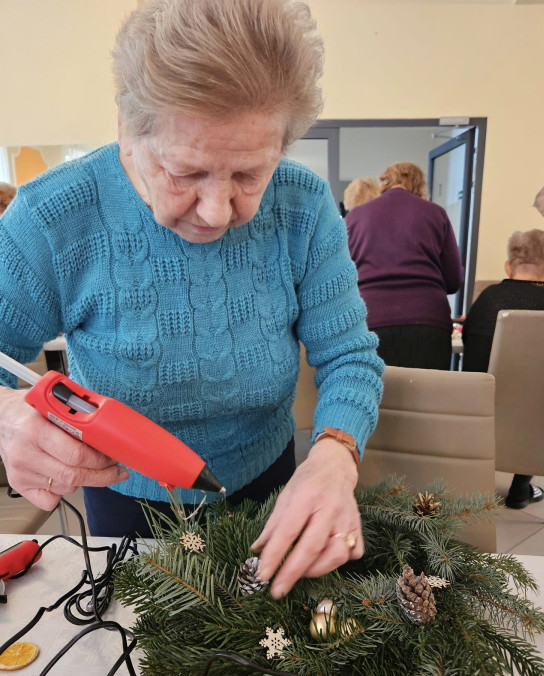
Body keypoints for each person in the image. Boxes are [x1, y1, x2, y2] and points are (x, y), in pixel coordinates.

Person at [0, 0, 384, 599]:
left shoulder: (304, 206)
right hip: (126, 502)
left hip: (271, 483)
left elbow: (350, 356)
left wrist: (335, 455)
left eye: (250, 175)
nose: (216, 212)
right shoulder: (50, 219)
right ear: (127, 128)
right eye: (184, 172)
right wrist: (7, 416)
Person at [462, 228, 544, 508]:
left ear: (508, 267)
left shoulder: (488, 299)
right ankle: (520, 488)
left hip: (483, 418)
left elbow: (469, 346)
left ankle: (473, 487)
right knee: (536, 400)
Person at [346, 161, 464, 369]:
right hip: (428, 320)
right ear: (420, 186)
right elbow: (454, 280)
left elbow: (343, 278)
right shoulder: (436, 214)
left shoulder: (355, 216)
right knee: (428, 389)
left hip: (369, 319)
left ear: (384, 182)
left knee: (372, 389)